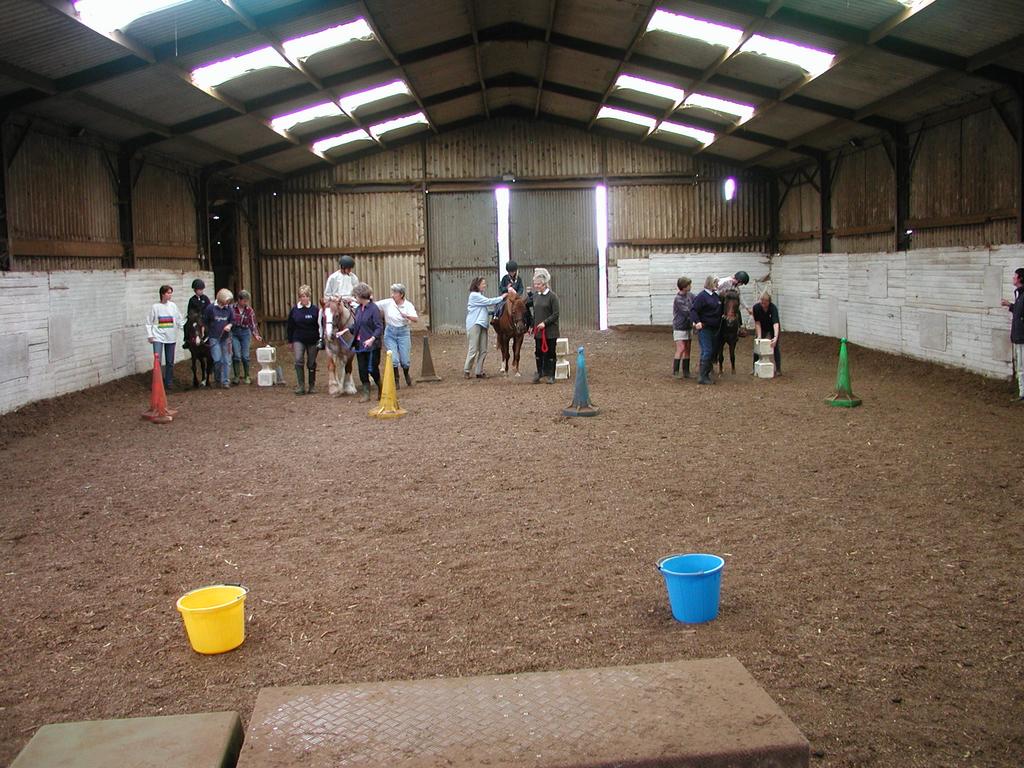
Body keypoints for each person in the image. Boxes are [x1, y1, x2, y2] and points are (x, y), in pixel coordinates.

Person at [377, 283, 419, 389]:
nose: (392, 295)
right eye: (392, 292)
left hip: (403, 332)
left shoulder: (408, 305)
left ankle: (406, 373)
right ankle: (396, 379)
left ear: (401, 294)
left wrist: (407, 316)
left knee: (405, 360)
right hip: (390, 332)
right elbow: (374, 305)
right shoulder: (388, 303)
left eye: (395, 293)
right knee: (394, 359)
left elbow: (415, 319)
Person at [465, 277, 508, 379]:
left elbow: (482, 309)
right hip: (474, 324)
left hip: (483, 325)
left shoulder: (479, 295)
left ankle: (479, 371)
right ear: (477, 285)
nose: (485, 285)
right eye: (483, 284)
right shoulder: (474, 295)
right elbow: (489, 301)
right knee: (473, 348)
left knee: (483, 349)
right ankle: (467, 370)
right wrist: (502, 297)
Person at [145, 284, 184, 391]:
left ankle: (169, 382)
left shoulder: (173, 306)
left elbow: (179, 319)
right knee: (157, 361)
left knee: (170, 361)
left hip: (171, 336)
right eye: (168, 293)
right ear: (162, 294)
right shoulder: (155, 307)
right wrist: (150, 335)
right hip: (158, 336)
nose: (170, 295)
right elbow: (149, 322)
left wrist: (185, 330)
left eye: (171, 293)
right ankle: (157, 383)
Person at [351, 282, 384, 401]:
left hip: (372, 346)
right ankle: (366, 392)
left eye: (356, 296)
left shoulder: (374, 309)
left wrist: (372, 339)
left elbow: (379, 327)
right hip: (360, 345)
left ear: (361, 296)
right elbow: (356, 325)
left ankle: (381, 386)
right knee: (362, 369)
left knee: (373, 369)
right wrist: (344, 331)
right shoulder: (359, 309)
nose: (355, 298)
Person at [286, 285, 320, 395]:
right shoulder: (295, 310)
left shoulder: (315, 310)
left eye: (305, 296)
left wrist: (320, 339)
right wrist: (290, 341)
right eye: (301, 296)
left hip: (312, 339)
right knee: (298, 359)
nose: (303, 298)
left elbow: (320, 325)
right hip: (298, 338)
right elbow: (290, 326)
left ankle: (312, 385)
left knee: (311, 362)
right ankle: (300, 385)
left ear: (309, 297)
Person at [690, 274, 723, 385]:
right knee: (707, 350)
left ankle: (706, 373)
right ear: (711, 283)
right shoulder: (702, 296)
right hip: (705, 328)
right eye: (716, 283)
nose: (718, 285)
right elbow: (694, 310)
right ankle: (702, 376)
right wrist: (697, 322)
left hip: (715, 328)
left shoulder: (715, 296)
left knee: (711, 351)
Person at [531, 268, 560, 384]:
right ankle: (539, 372)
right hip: (538, 331)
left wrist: (545, 323)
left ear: (544, 284)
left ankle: (551, 375)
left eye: (538, 284)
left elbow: (556, 314)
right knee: (538, 352)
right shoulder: (535, 296)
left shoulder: (552, 297)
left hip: (550, 331)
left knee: (551, 352)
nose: (536, 286)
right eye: (535, 284)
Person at [203, 288, 234, 389]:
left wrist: (229, 325)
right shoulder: (210, 308)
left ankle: (225, 381)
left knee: (227, 360)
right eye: (227, 300)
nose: (228, 302)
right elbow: (205, 321)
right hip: (214, 337)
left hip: (226, 338)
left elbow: (232, 320)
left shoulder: (229, 309)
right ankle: (217, 378)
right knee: (217, 359)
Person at [1001, 267, 1024, 402]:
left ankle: (1023, 393)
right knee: (1021, 366)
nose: (1013, 278)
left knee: (1021, 367)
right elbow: (1019, 311)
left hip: (1022, 336)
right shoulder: (1020, 295)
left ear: (1020, 278)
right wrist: (1009, 305)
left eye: (1015, 276)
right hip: (1019, 335)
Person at [230, 290, 262, 385]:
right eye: (244, 301)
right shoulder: (232, 308)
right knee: (236, 355)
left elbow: (253, 324)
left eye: (246, 301)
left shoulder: (249, 310)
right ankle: (236, 376)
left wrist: (256, 334)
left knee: (245, 355)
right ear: (239, 300)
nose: (245, 303)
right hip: (234, 332)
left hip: (245, 332)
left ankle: (247, 375)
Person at [752, 290, 782, 375]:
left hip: (772, 326)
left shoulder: (773, 308)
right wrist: (759, 336)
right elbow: (757, 322)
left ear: (769, 302)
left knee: (775, 347)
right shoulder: (756, 308)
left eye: (765, 303)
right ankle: (754, 368)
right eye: (761, 303)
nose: (763, 305)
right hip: (762, 326)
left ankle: (778, 369)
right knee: (757, 345)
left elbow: (776, 323)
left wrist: (775, 337)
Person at [672, 277, 695, 379]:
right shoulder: (678, 299)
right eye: (689, 285)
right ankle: (676, 371)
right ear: (684, 287)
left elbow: (697, 300)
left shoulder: (690, 295)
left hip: (688, 326)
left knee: (688, 348)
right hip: (680, 326)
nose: (690, 286)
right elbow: (687, 312)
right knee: (681, 348)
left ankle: (686, 371)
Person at [184, 278, 211, 352]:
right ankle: (186, 340)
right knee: (186, 325)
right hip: (195, 318)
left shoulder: (205, 298)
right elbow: (189, 310)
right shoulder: (192, 300)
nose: (201, 291)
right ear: (195, 290)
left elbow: (209, 308)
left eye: (202, 289)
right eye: (199, 290)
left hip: (204, 318)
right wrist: (193, 316)